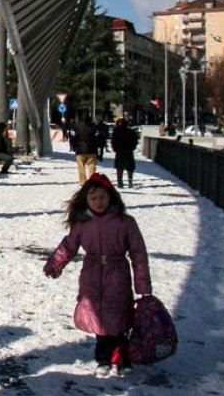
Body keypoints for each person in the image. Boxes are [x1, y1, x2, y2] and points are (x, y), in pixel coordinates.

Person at [42, 173, 152, 377]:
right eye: (93, 199)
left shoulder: (125, 222)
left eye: (102, 197)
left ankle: (121, 359)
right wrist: (55, 264)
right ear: (87, 201)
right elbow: (69, 246)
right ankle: (103, 359)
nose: (98, 202)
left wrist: (143, 286)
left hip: (117, 272)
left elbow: (138, 253)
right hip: (91, 274)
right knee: (98, 319)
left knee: (118, 319)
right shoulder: (82, 224)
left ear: (111, 197)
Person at [70, 114, 99, 185]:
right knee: (92, 165)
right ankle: (92, 180)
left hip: (80, 150)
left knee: (81, 166)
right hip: (92, 150)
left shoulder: (76, 126)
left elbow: (72, 137)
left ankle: (83, 181)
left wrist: (73, 146)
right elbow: (98, 138)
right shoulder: (94, 127)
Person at [110, 118, 139, 188]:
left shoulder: (116, 131)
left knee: (119, 167)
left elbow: (113, 141)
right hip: (129, 151)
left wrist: (115, 148)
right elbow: (135, 140)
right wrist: (133, 147)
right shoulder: (130, 131)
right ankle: (130, 181)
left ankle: (120, 182)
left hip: (119, 151)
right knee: (130, 167)